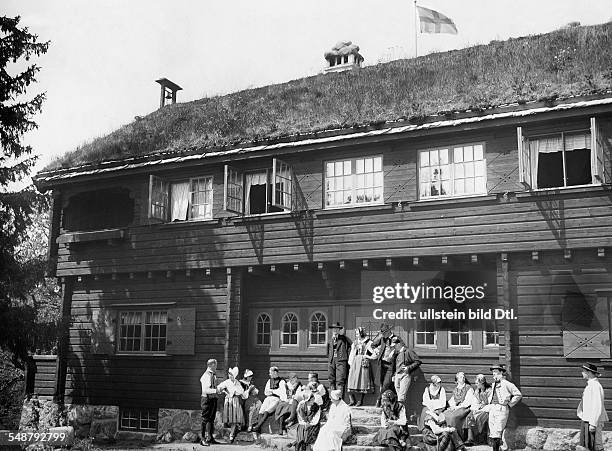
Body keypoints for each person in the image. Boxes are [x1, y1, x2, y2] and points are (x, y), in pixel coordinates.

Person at [488, 364, 522, 451]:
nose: (493, 374)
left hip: (501, 409)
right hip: (493, 409)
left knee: (497, 432)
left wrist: (510, 404)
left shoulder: (507, 384)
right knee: (492, 432)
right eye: (493, 372)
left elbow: (518, 394)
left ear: (501, 373)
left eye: (495, 372)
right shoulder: (493, 384)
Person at [577, 362, 608, 451]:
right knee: (587, 445)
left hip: (593, 421)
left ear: (589, 372)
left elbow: (597, 405)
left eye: (583, 371)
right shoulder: (590, 385)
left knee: (596, 445)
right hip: (587, 419)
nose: (582, 373)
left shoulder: (595, 386)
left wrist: (593, 424)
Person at [369, 324, 402, 407]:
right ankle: (385, 403)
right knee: (381, 383)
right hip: (382, 364)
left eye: (383, 333)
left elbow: (403, 348)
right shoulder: (382, 338)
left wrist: (394, 351)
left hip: (391, 365)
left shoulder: (396, 338)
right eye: (382, 333)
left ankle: (379, 399)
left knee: (386, 384)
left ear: (388, 331)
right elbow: (372, 345)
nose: (382, 334)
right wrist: (376, 350)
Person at [250, 366, 287, 434]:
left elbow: (281, 393)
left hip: (276, 399)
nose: (269, 374)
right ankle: (259, 428)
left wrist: (272, 391)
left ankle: (258, 426)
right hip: (268, 398)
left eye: (270, 373)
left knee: (267, 411)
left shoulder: (281, 381)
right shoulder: (269, 381)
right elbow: (266, 392)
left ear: (275, 372)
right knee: (261, 411)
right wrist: (274, 390)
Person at [347, 326, 376, 406]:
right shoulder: (355, 342)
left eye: (357, 333)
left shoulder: (368, 342)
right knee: (352, 380)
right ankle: (352, 401)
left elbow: (374, 353)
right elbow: (352, 353)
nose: (356, 335)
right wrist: (351, 363)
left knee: (363, 381)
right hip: (355, 362)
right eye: (356, 334)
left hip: (363, 362)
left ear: (361, 333)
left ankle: (360, 401)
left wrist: (368, 356)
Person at [392, 336, 422, 413]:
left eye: (395, 345)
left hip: (405, 375)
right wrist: (394, 375)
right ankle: (404, 415)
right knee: (399, 396)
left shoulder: (408, 351)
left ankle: (402, 416)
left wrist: (408, 368)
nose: (394, 347)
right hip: (397, 376)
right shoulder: (396, 353)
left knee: (401, 397)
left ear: (399, 344)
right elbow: (395, 365)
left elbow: (418, 361)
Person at [444, 372, 475, 440]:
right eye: (460, 377)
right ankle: (447, 436)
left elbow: (468, 402)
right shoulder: (456, 389)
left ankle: (457, 438)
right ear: (457, 380)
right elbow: (452, 400)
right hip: (456, 408)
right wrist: (452, 406)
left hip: (465, 408)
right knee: (445, 414)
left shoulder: (468, 388)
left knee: (453, 417)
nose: (463, 378)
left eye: (463, 377)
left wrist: (457, 407)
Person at [217, 366, 245, 443]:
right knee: (229, 418)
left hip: (235, 401)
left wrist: (235, 391)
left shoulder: (237, 382)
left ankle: (232, 434)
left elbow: (241, 391)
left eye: (232, 375)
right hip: (228, 401)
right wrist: (222, 390)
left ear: (234, 376)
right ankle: (232, 431)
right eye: (229, 374)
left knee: (234, 419)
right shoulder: (227, 382)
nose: (230, 376)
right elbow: (219, 387)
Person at [327, 322, 352, 401]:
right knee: (331, 380)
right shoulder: (330, 339)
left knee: (340, 381)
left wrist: (347, 359)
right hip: (331, 361)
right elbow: (327, 351)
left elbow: (351, 347)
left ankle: (339, 400)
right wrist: (330, 359)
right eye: (334, 329)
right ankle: (332, 399)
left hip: (341, 361)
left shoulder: (344, 339)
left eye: (337, 329)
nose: (335, 330)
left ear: (339, 330)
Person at [294, 383, 322, 451]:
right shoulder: (302, 406)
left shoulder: (316, 407)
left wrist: (310, 424)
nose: (313, 401)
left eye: (313, 399)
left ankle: (304, 443)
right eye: (311, 400)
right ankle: (300, 444)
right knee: (301, 427)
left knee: (307, 430)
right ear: (307, 400)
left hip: (313, 425)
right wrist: (305, 423)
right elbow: (300, 417)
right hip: (304, 423)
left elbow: (316, 418)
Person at [199, 358, 221, 446]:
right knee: (205, 419)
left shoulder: (213, 375)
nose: (216, 367)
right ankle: (202, 439)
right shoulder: (206, 376)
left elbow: (213, 386)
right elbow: (206, 390)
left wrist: (219, 389)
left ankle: (210, 437)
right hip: (206, 399)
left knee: (211, 419)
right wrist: (216, 390)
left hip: (213, 399)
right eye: (215, 365)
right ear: (211, 365)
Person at [466, 373, 491, 445]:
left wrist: (482, 406)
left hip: (487, 409)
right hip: (479, 408)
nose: (476, 384)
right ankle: (470, 439)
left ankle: (479, 439)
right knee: (469, 416)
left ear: (482, 382)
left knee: (479, 418)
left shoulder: (489, 390)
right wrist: (477, 407)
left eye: (477, 383)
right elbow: (475, 401)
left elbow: (490, 403)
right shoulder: (477, 390)